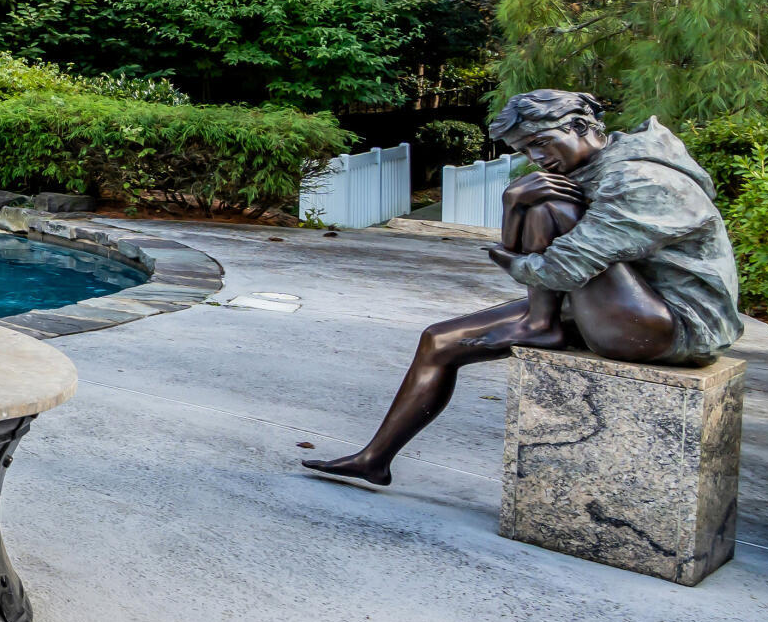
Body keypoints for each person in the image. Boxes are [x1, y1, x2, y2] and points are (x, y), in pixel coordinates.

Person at [303, 90, 742, 487]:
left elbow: (561, 268)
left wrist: (519, 248)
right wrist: (513, 203)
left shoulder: (643, 179)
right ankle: (374, 460)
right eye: (525, 150)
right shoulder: (587, 168)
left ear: (580, 126)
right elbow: (526, 258)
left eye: (541, 143)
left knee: (549, 202)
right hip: (616, 301)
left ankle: (540, 323)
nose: (536, 157)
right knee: (439, 340)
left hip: (672, 326)